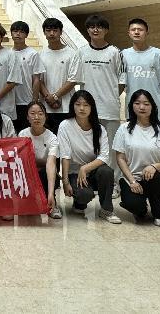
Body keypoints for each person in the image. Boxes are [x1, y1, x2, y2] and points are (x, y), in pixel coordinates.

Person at [114, 90, 160, 227]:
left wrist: (154, 166)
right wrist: (132, 181)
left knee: (153, 177)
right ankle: (141, 208)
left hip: (157, 179)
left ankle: (159, 213)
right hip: (132, 178)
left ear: (152, 106)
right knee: (135, 205)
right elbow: (120, 158)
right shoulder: (123, 129)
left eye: (146, 103)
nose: (142, 107)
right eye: (137, 103)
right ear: (132, 106)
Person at [57, 90, 121, 224]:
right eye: (78, 104)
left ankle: (106, 210)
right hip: (74, 173)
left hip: (93, 171)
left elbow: (104, 156)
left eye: (86, 105)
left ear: (92, 107)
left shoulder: (99, 128)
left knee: (107, 171)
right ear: (72, 106)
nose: (82, 108)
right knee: (84, 195)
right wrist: (65, 182)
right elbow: (65, 155)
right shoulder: (65, 126)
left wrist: (85, 168)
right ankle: (79, 203)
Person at [78, 15, 123, 188]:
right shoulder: (82, 52)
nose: (95, 30)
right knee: (89, 147)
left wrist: (111, 96)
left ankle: (113, 184)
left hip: (109, 109)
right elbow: (75, 78)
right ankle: (92, 181)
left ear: (106, 30)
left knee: (112, 148)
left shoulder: (114, 52)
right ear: (88, 30)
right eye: (92, 27)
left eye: (99, 27)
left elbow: (122, 80)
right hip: (87, 110)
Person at [119, 18, 160, 123]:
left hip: (156, 110)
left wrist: (157, 97)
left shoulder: (158, 54)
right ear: (129, 33)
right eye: (133, 29)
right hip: (132, 109)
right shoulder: (123, 55)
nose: (136, 32)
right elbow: (121, 82)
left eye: (140, 29)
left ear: (147, 32)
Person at [38, 17, 81, 135]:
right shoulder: (41, 54)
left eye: (55, 30)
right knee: (48, 139)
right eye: (48, 30)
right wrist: (49, 98)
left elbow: (73, 80)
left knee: (66, 139)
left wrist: (55, 96)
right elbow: (38, 80)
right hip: (46, 107)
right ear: (44, 32)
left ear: (61, 32)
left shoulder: (72, 53)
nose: (52, 33)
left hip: (67, 106)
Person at [19, 101, 62, 219]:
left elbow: (51, 163)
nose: (36, 117)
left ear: (45, 116)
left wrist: (50, 193)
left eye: (40, 113)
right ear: (27, 117)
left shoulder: (52, 138)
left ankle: (52, 202)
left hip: (45, 172)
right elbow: (22, 162)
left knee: (46, 172)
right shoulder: (23, 134)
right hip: (29, 172)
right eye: (32, 113)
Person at [7, 21, 47, 134]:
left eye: (21, 32)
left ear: (26, 35)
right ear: (11, 33)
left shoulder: (33, 54)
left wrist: (34, 100)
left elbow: (36, 79)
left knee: (26, 133)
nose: (18, 34)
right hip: (10, 101)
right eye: (15, 31)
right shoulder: (7, 54)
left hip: (27, 101)